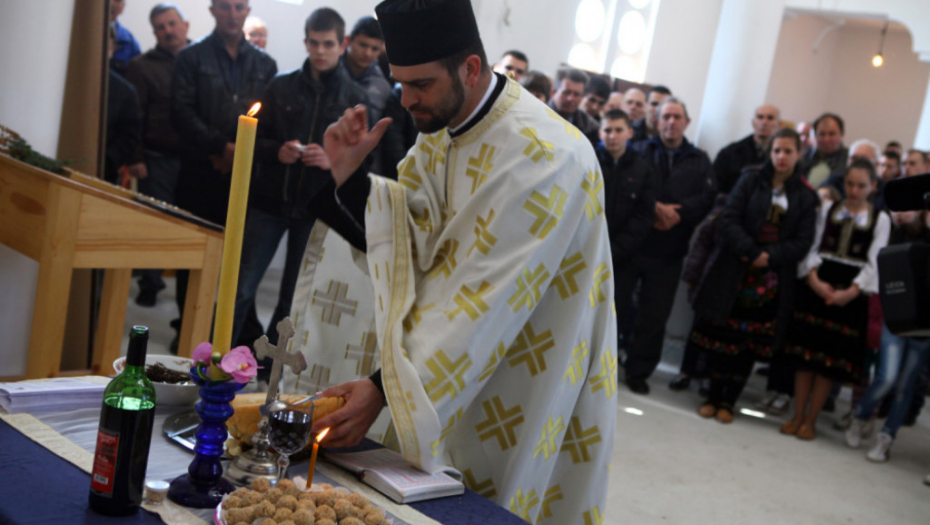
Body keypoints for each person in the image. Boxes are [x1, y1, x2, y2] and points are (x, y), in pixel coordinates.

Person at [294, 0, 617, 521]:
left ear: (469, 68)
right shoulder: (446, 131)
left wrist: (381, 388)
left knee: (492, 495)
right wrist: (349, 176)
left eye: (420, 84)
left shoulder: (545, 156)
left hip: (525, 364)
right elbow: (415, 243)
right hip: (448, 358)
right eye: (400, 83)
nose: (407, 100)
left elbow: (482, 299)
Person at [688, 128, 817, 423]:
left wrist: (769, 257)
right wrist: (750, 250)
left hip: (770, 280)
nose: (781, 157)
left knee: (748, 344)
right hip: (735, 268)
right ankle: (712, 397)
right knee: (721, 338)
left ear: (799, 154)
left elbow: (803, 241)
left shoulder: (805, 196)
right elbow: (729, 218)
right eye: (777, 150)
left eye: (788, 151)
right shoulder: (750, 179)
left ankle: (729, 401)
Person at [171, 0, 276, 350]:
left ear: (247, 11)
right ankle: (188, 331)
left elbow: (269, 120)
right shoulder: (190, 58)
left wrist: (239, 154)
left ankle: (230, 336)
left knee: (237, 260)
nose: (233, 14)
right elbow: (181, 112)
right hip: (200, 172)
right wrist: (221, 147)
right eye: (226, 7)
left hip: (244, 178)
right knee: (193, 259)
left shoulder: (265, 64)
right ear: (213, 10)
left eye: (239, 7)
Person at [780, 159, 890, 441]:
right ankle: (797, 415)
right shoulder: (829, 210)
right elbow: (813, 246)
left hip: (850, 295)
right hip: (819, 286)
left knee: (828, 363)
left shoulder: (880, 219)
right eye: (850, 184)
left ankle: (811, 420)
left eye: (861, 186)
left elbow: (875, 262)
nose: (854, 191)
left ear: (873, 186)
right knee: (805, 357)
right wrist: (814, 279)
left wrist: (851, 292)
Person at [621, 97, 716, 394]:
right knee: (616, 307)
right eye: (666, 117)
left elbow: (707, 199)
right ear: (657, 120)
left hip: (670, 251)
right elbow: (625, 188)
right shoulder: (639, 151)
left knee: (655, 316)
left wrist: (678, 214)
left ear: (686, 122)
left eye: (677, 117)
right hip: (633, 245)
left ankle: (638, 371)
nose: (671, 122)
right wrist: (655, 209)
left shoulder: (700, 160)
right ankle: (601, 363)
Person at [845, 207, 930, 461]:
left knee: (906, 384)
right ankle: (861, 417)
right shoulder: (905, 231)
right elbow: (889, 268)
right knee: (887, 377)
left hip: (925, 328)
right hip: (897, 315)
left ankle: (886, 437)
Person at [124, 2, 190, 307]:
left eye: (172, 24)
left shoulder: (201, 60)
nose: (168, 31)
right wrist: (135, 157)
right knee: (155, 223)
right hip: (156, 158)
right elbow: (133, 116)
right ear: (154, 33)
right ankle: (150, 282)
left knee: (191, 223)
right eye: (161, 27)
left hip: (197, 159)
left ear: (185, 25)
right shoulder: (141, 67)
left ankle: (190, 290)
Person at [596, 109, 656, 360]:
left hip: (623, 260)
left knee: (613, 314)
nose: (613, 136)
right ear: (600, 133)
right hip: (587, 252)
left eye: (618, 130)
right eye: (607, 130)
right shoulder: (589, 160)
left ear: (630, 133)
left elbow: (643, 216)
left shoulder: (643, 168)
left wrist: (615, 250)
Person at [341, 16, 392, 176]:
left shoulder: (383, 87)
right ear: (349, 41)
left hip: (361, 166)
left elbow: (381, 137)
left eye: (374, 48)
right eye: (363, 45)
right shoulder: (330, 73)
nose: (368, 53)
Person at [712, 104, 780, 194]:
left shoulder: (782, 156)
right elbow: (715, 187)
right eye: (760, 117)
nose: (764, 122)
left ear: (778, 124)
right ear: (753, 122)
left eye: (770, 118)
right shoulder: (730, 153)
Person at [549, 67, 600, 145]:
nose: (571, 98)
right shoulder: (538, 114)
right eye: (566, 92)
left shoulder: (590, 127)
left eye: (576, 94)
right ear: (553, 92)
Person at [800, 112, 848, 188]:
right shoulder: (803, 157)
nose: (826, 139)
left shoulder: (849, 160)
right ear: (815, 135)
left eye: (831, 134)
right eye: (822, 134)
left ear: (842, 134)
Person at [110, 0, 141, 74]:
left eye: (119, 1)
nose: (113, 5)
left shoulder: (130, 42)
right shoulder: (86, 33)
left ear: (123, 6)